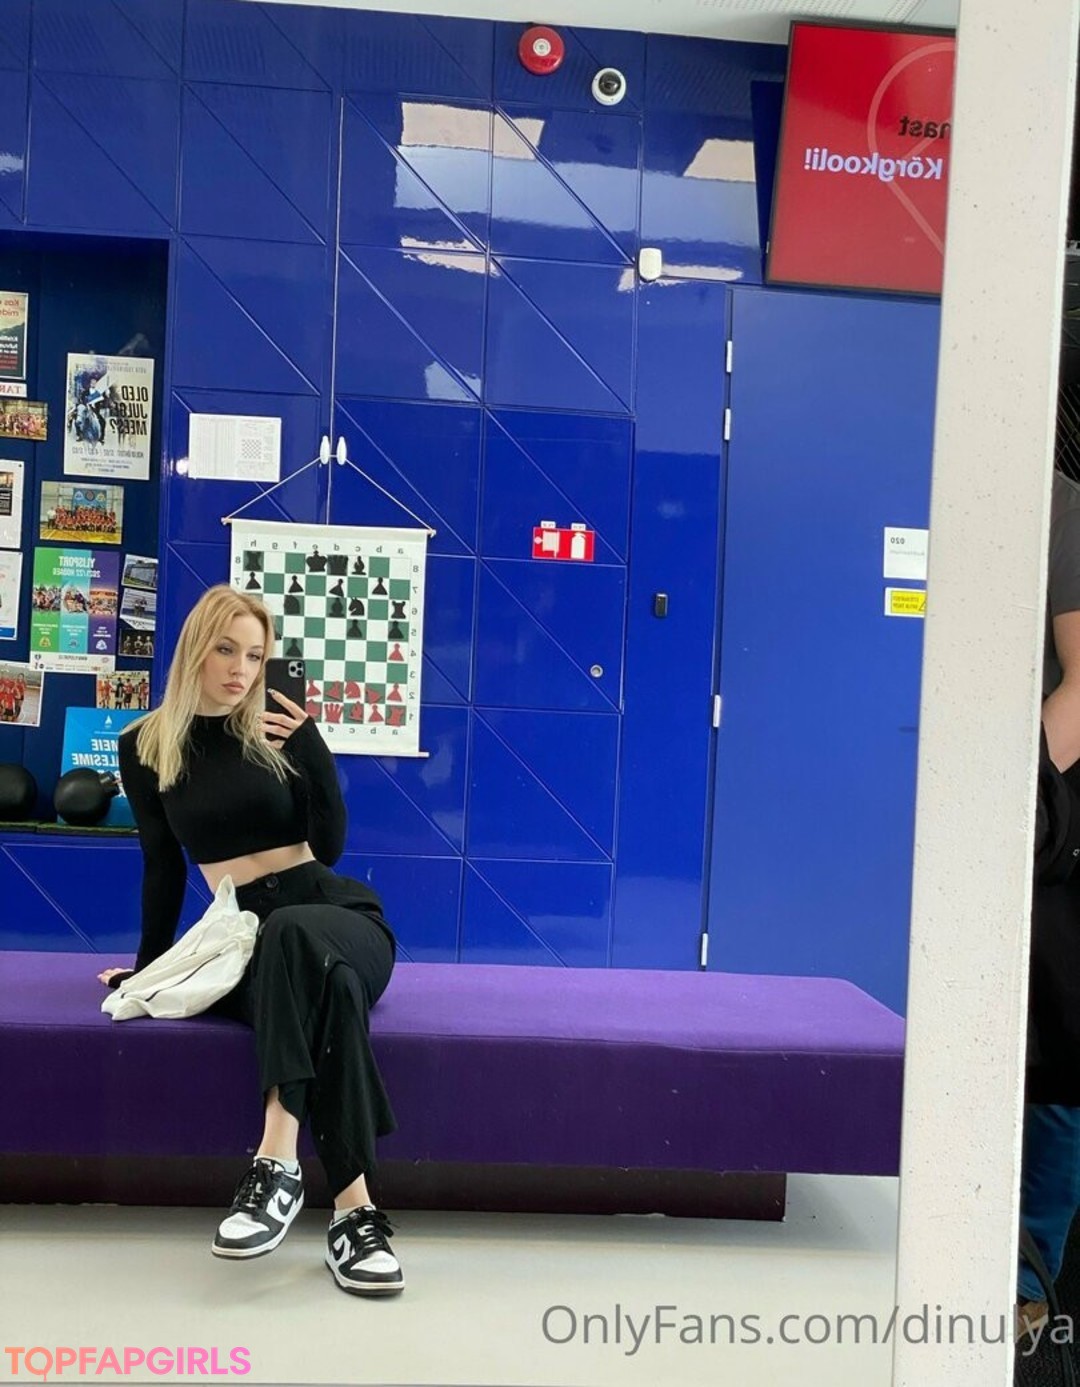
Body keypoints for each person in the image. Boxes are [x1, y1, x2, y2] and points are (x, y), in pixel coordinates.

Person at [97, 584, 403, 1295]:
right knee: (334, 990)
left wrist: (313, 747)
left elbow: (329, 846)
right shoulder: (145, 746)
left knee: (303, 938)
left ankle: (276, 1162)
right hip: (247, 938)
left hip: (336, 913)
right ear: (196, 649)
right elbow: (162, 866)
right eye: (227, 650)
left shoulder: (273, 729)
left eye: (256, 656)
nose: (241, 669)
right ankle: (356, 1216)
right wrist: (149, 968)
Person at [1019, 464, 1080, 1335]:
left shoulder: (1060, 503)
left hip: (1038, 815)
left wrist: (1018, 789)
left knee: (1052, 1054)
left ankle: (1027, 1287)